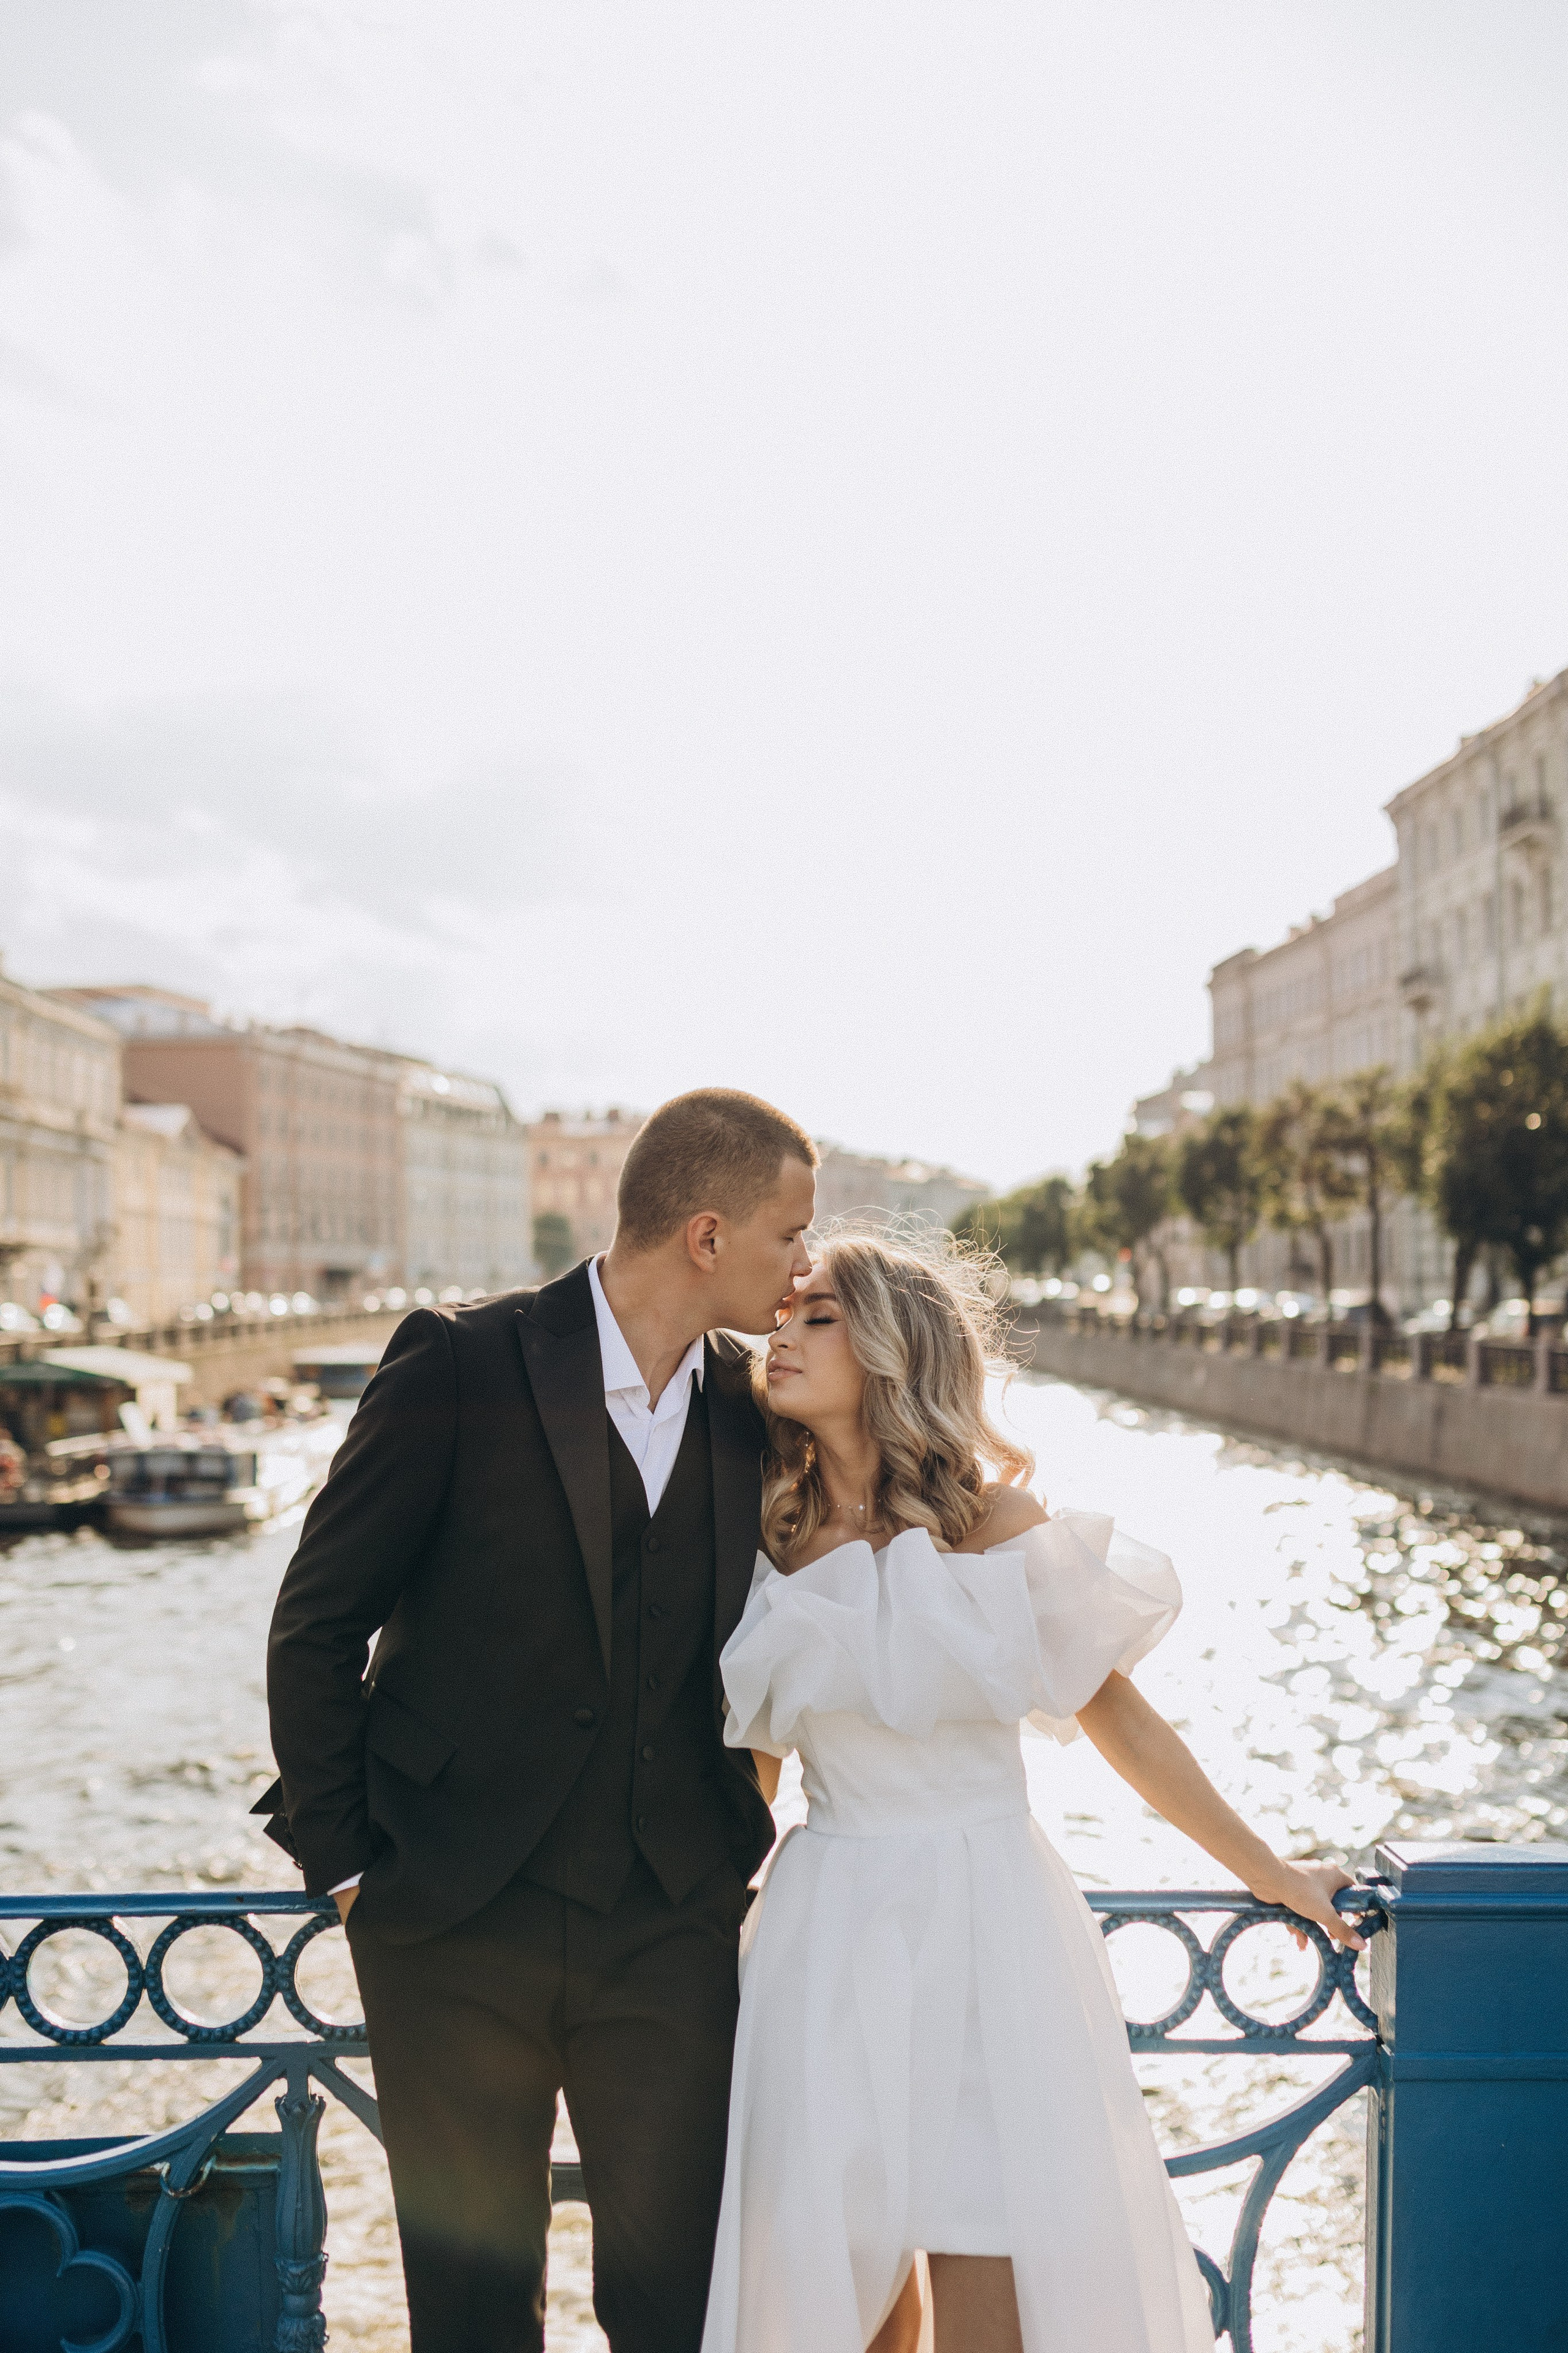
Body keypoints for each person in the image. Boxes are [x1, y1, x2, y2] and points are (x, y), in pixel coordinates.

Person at [703, 1228, 1366, 2353]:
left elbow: (1120, 1718)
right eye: (787, 1313)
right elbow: (750, 1784)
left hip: (989, 1932)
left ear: (890, 1350)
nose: (784, 1333)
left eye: (820, 1316)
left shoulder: (997, 1528)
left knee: (991, 2288)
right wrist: (669, 1929)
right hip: (824, 1938)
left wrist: (1274, 1873)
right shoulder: (772, 1534)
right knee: (835, 2297)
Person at [255, 1089, 819, 2353]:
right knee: (470, 2320)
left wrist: (734, 1839)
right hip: (447, 1923)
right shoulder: (457, 1361)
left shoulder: (755, 1410)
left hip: (668, 1926)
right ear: (708, 1236)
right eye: (791, 1234)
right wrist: (350, 1872)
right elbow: (316, 1621)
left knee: (676, 2313)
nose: (803, 1269)